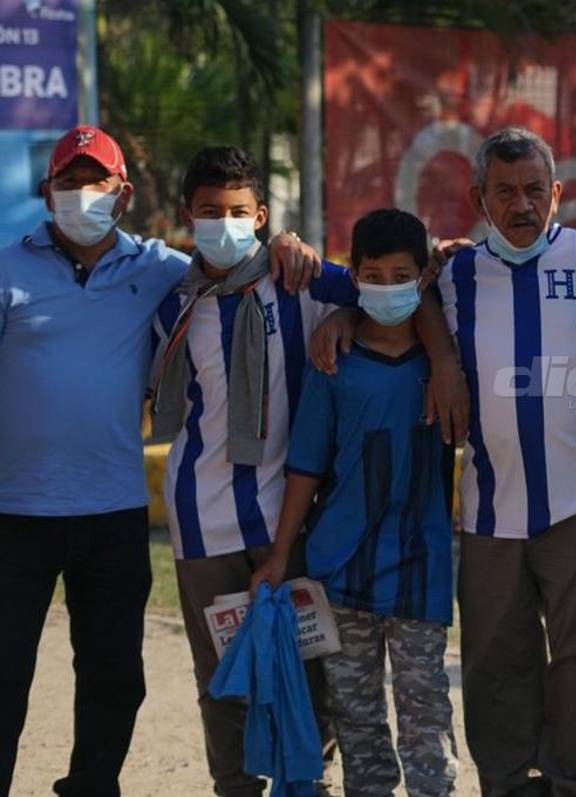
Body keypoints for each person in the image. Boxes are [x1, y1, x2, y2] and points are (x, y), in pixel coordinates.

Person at [0, 125, 324, 797]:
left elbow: (242, 267)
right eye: (69, 182)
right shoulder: (7, 268)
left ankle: (91, 788)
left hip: (114, 509)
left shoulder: (161, 270)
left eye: (98, 183)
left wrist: (288, 245)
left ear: (123, 196)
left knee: (115, 676)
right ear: (46, 191)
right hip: (14, 511)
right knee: (3, 674)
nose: (82, 194)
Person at [149, 146, 357, 797]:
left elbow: (385, 297)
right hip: (202, 518)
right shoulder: (173, 307)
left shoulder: (300, 283)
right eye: (210, 211)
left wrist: (347, 311)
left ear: (262, 214)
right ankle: (235, 786)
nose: (224, 223)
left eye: (239, 211)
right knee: (223, 678)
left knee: (313, 663)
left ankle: (308, 780)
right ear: (189, 217)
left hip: (290, 518)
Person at [438, 127, 576, 796]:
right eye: (504, 191)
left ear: (556, 193)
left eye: (534, 191)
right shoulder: (452, 275)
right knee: (494, 660)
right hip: (490, 505)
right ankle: (510, 782)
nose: (521, 205)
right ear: (479, 197)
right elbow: (376, 297)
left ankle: (574, 782)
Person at [251, 208, 458, 797]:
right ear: (355, 274)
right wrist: (280, 554)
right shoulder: (332, 361)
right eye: (373, 274)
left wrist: (445, 357)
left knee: (426, 719)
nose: (387, 287)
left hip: (421, 572)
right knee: (357, 718)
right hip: (339, 573)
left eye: (402, 275)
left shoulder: (447, 365)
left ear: (423, 279)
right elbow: (305, 468)